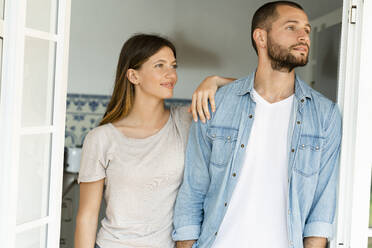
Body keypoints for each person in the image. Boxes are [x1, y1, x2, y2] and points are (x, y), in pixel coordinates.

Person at [173, 1, 342, 248]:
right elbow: (193, 189)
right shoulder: (216, 103)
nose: (304, 36)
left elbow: (322, 207)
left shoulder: (325, 114)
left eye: (306, 29)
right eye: (291, 27)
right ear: (261, 37)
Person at [74, 34, 234, 248]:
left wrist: (215, 80)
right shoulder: (101, 138)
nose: (172, 75)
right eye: (160, 65)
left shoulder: (187, 121)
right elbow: (87, 217)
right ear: (133, 76)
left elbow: (257, 92)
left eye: (174, 66)